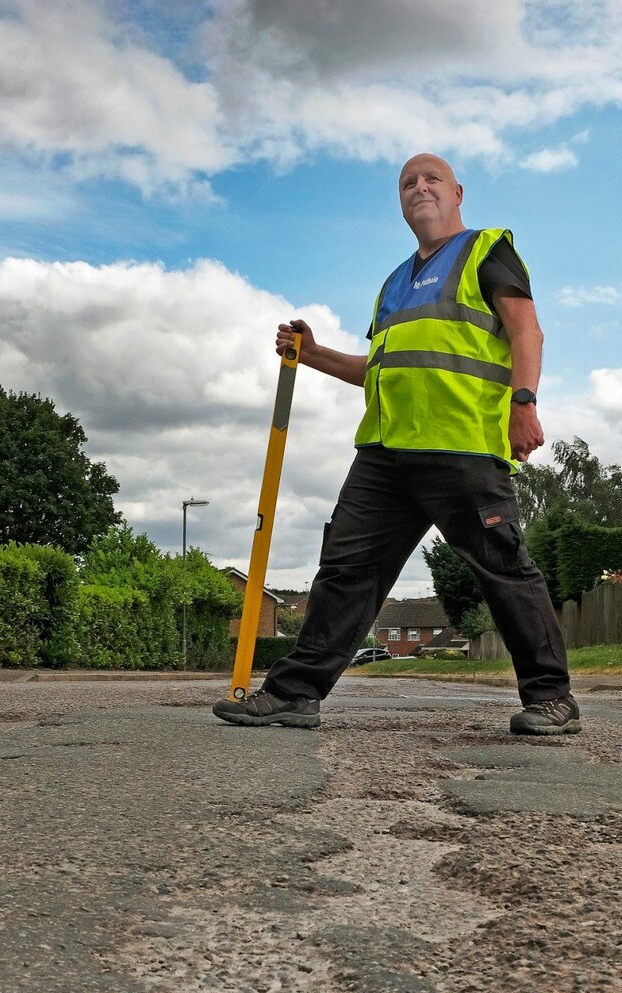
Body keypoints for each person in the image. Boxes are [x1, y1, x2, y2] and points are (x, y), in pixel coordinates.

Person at [212, 152, 578, 736]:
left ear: (458, 192)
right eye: (408, 182)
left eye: (432, 178)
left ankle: (551, 698)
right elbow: (376, 367)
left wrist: (524, 401)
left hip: (460, 448)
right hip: (384, 455)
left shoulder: (487, 250)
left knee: (504, 569)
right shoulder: (393, 284)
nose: (420, 187)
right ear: (400, 201)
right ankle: (295, 693)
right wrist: (312, 355)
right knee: (344, 570)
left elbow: (525, 329)